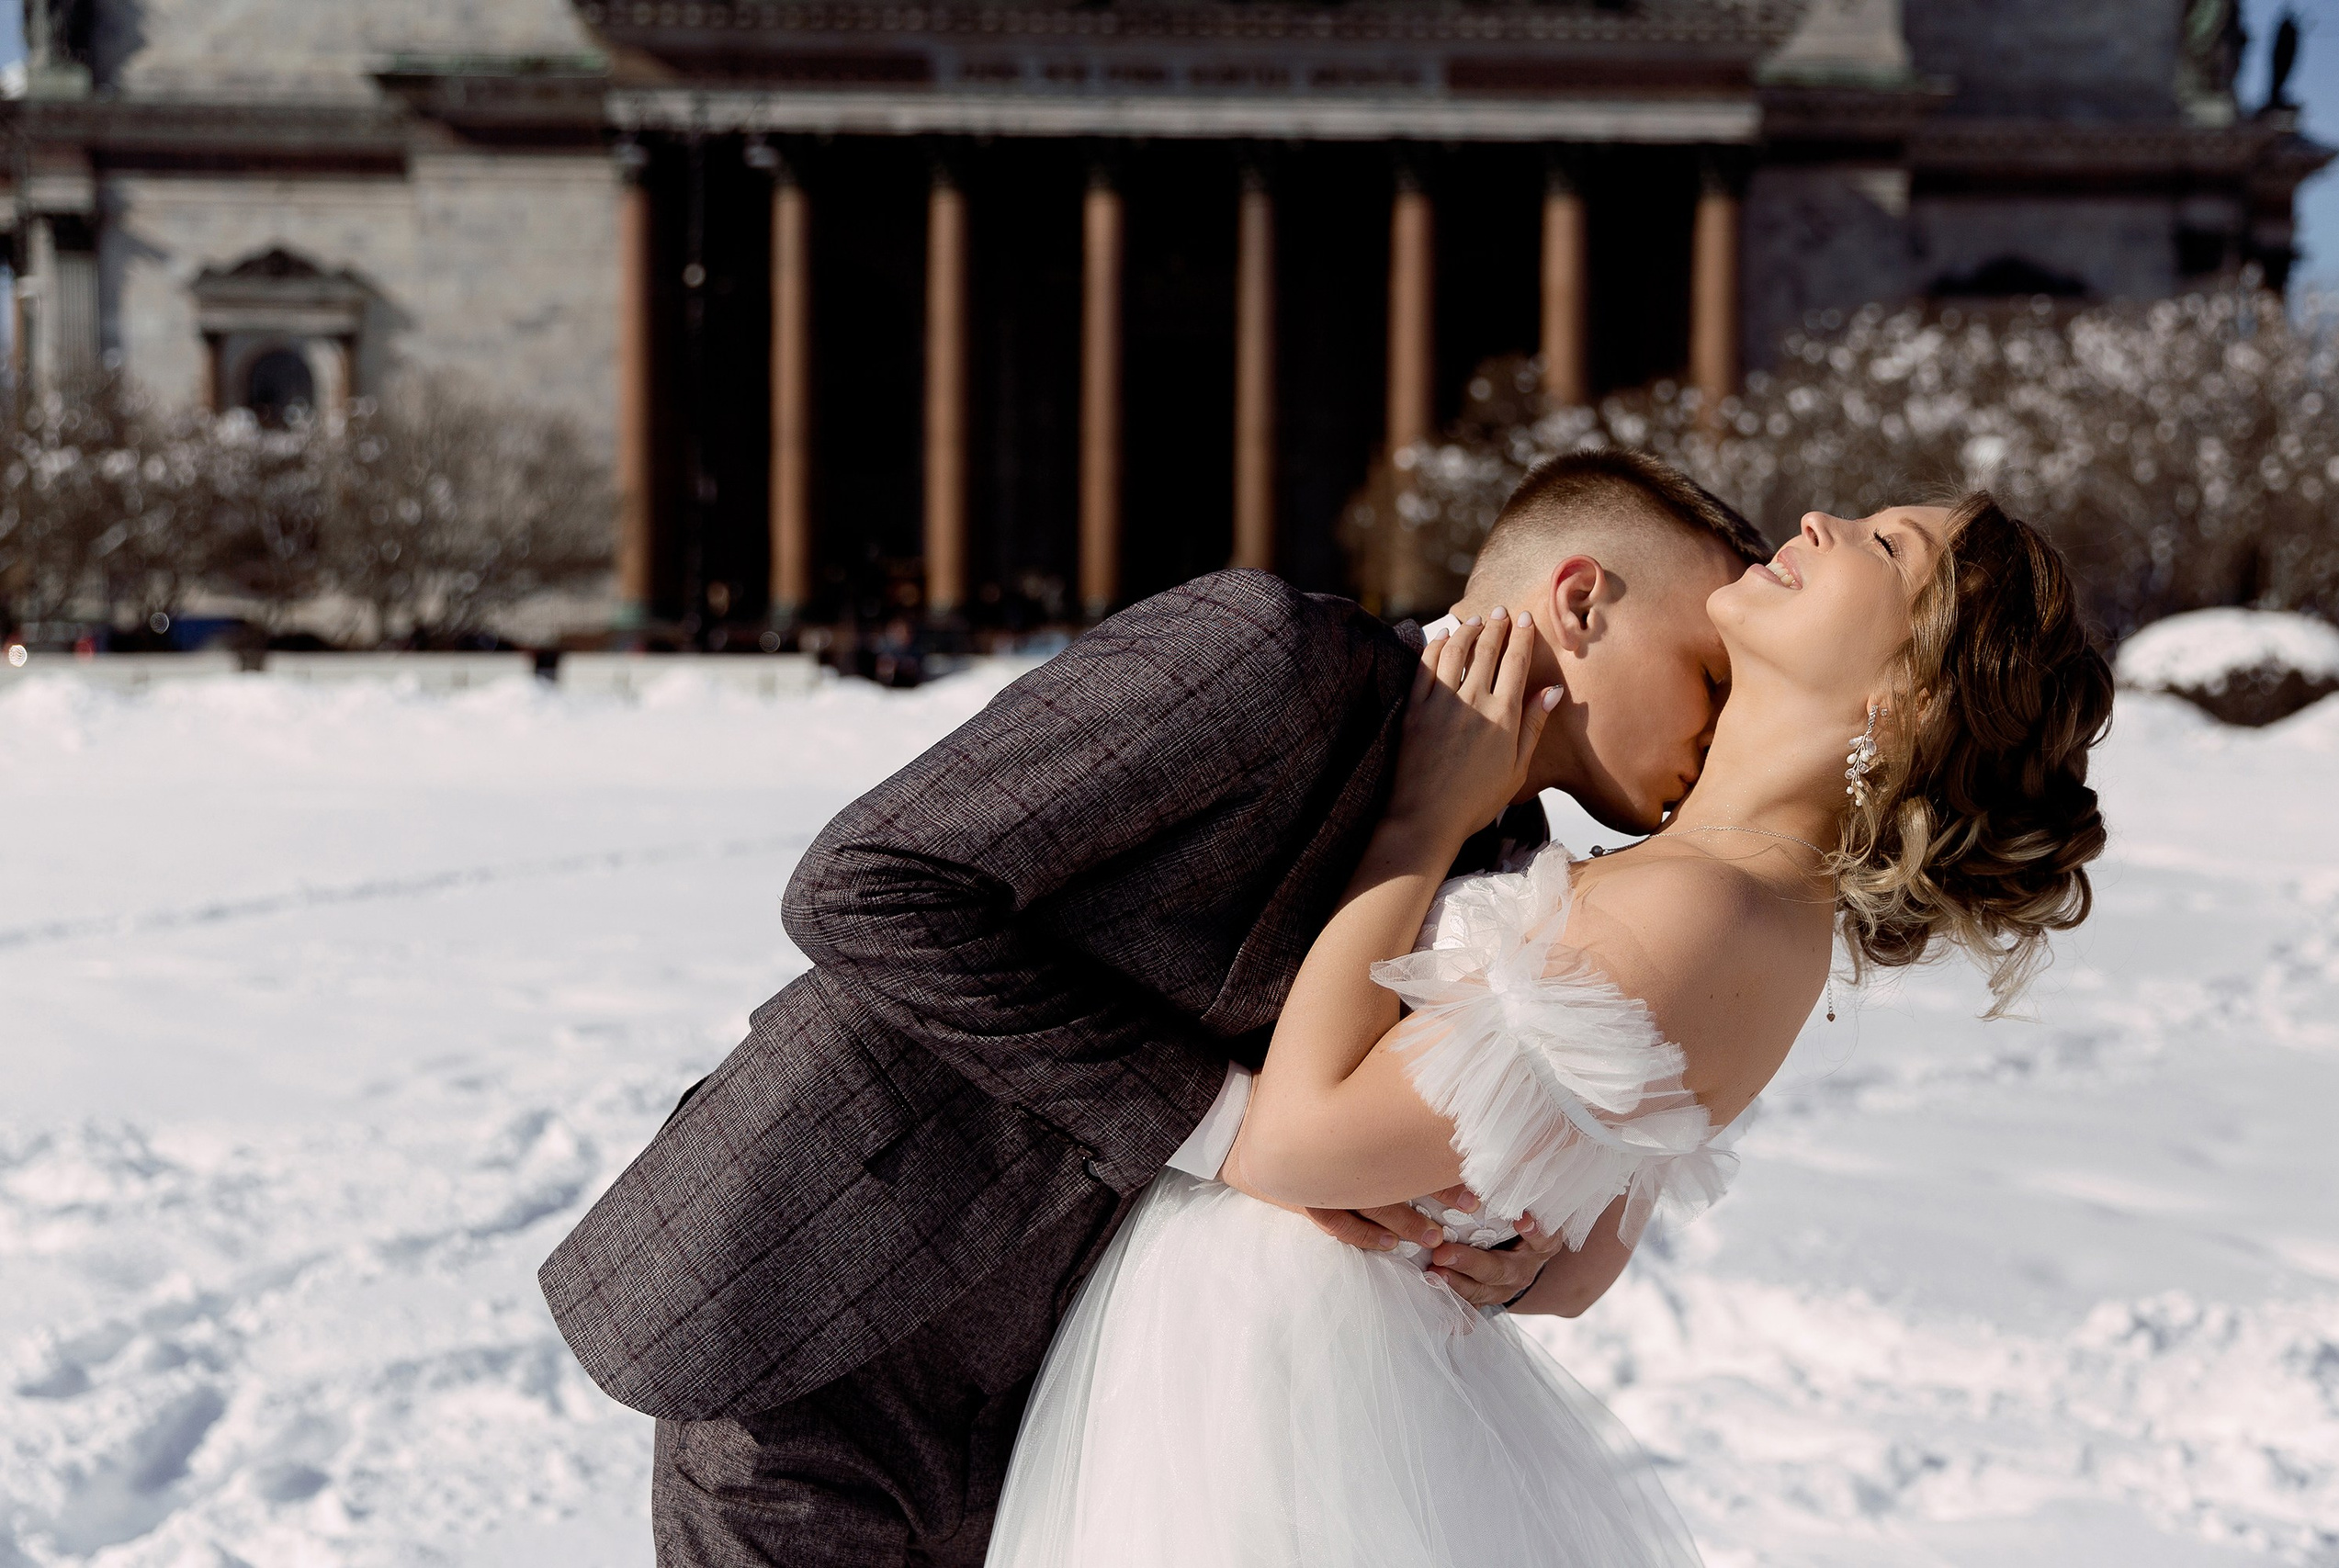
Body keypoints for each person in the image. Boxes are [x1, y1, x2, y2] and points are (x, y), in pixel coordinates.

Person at [539, 449, 1766, 1564]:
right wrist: (1224, 1125)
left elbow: (1392, 1153)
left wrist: (1504, 1247)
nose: (1727, 726)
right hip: (817, 1337)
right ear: (1582, 597)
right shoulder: (1265, 655)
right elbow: (868, 884)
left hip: (1090, 1441)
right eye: (1714, 670)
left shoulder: (1513, 876)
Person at [983, 491, 2112, 1564]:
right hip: (1301, 1345)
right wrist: (1532, 1273)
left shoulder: (1701, 908)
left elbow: (1293, 1144)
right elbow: (1584, 1242)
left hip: (1269, 1366)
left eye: (1885, 547)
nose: (1822, 519)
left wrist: (1423, 817)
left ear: (1906, 699)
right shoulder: (1735, 895)